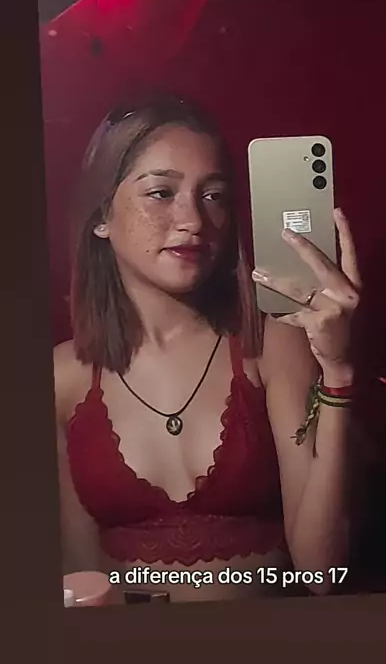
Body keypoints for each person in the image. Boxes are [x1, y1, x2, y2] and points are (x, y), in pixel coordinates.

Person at [54, 94, 361, 603]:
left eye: (213, 195)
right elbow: (80, 578)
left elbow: (322, 574)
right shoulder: (62, 377)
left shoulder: (270, 343)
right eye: (161, 192)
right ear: (101, 215)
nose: (194, 219)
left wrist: (338, 372)